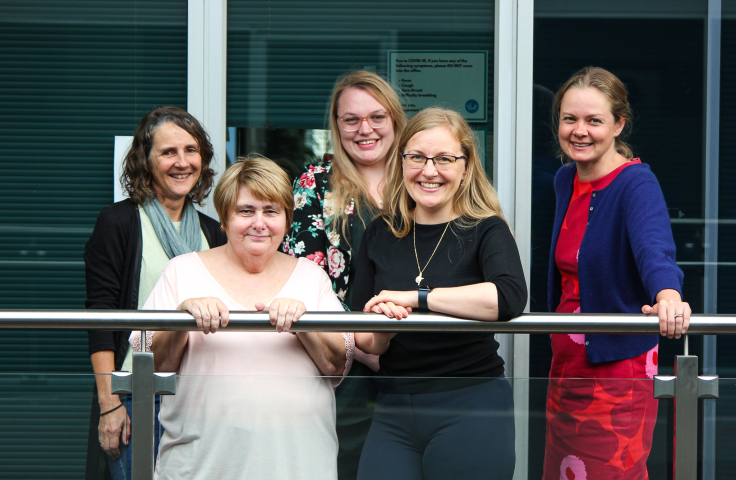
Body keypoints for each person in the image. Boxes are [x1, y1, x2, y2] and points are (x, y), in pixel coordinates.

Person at [130, 156, 354, 480]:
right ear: (224, 219)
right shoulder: (182, 270)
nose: (259, 223)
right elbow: (149, 367)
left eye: (271, 211)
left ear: (287, 220)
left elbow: (337, 366)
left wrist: (304, 326)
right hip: (203, 466)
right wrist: (182, 317)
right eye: (246, 211)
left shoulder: (311, 276)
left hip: (299, 465)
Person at [351, 107, 528, 480]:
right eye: (417, 157)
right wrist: (386, 326)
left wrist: (416, 298)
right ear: (401, 162)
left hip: (472, 402)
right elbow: (365, 338)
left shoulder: (486, 229)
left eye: (444, 159)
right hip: (394, 407)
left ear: (465, 167)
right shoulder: (381, 232)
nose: (429, 171)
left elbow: (509, 296)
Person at [543, 66, 691, 479]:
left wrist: (668, 296)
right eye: (569, 119)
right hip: (566, 361)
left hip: (615, 365)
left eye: (594, 120)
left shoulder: (635, 183)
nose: (579, 131)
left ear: (619, 124)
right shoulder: (565, 178)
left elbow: (655, 250)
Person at [84, 106, 226, 479]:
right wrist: (108, 403)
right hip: (135, 395)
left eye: (191, 150)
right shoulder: (119, 222)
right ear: (145, 162)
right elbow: (100, 316)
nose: (182, 162)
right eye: (168, 152)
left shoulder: (216, 233)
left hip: (200, 397)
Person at [282, 70, 407, 479]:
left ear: (395, 120)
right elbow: (304, 275)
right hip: (346, 365)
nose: (364, 129)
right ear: (336, 125)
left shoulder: (422, 179)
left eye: (377, 116)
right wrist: (364, 346)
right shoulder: (315, 184)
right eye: (350, 119)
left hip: (421, 361)